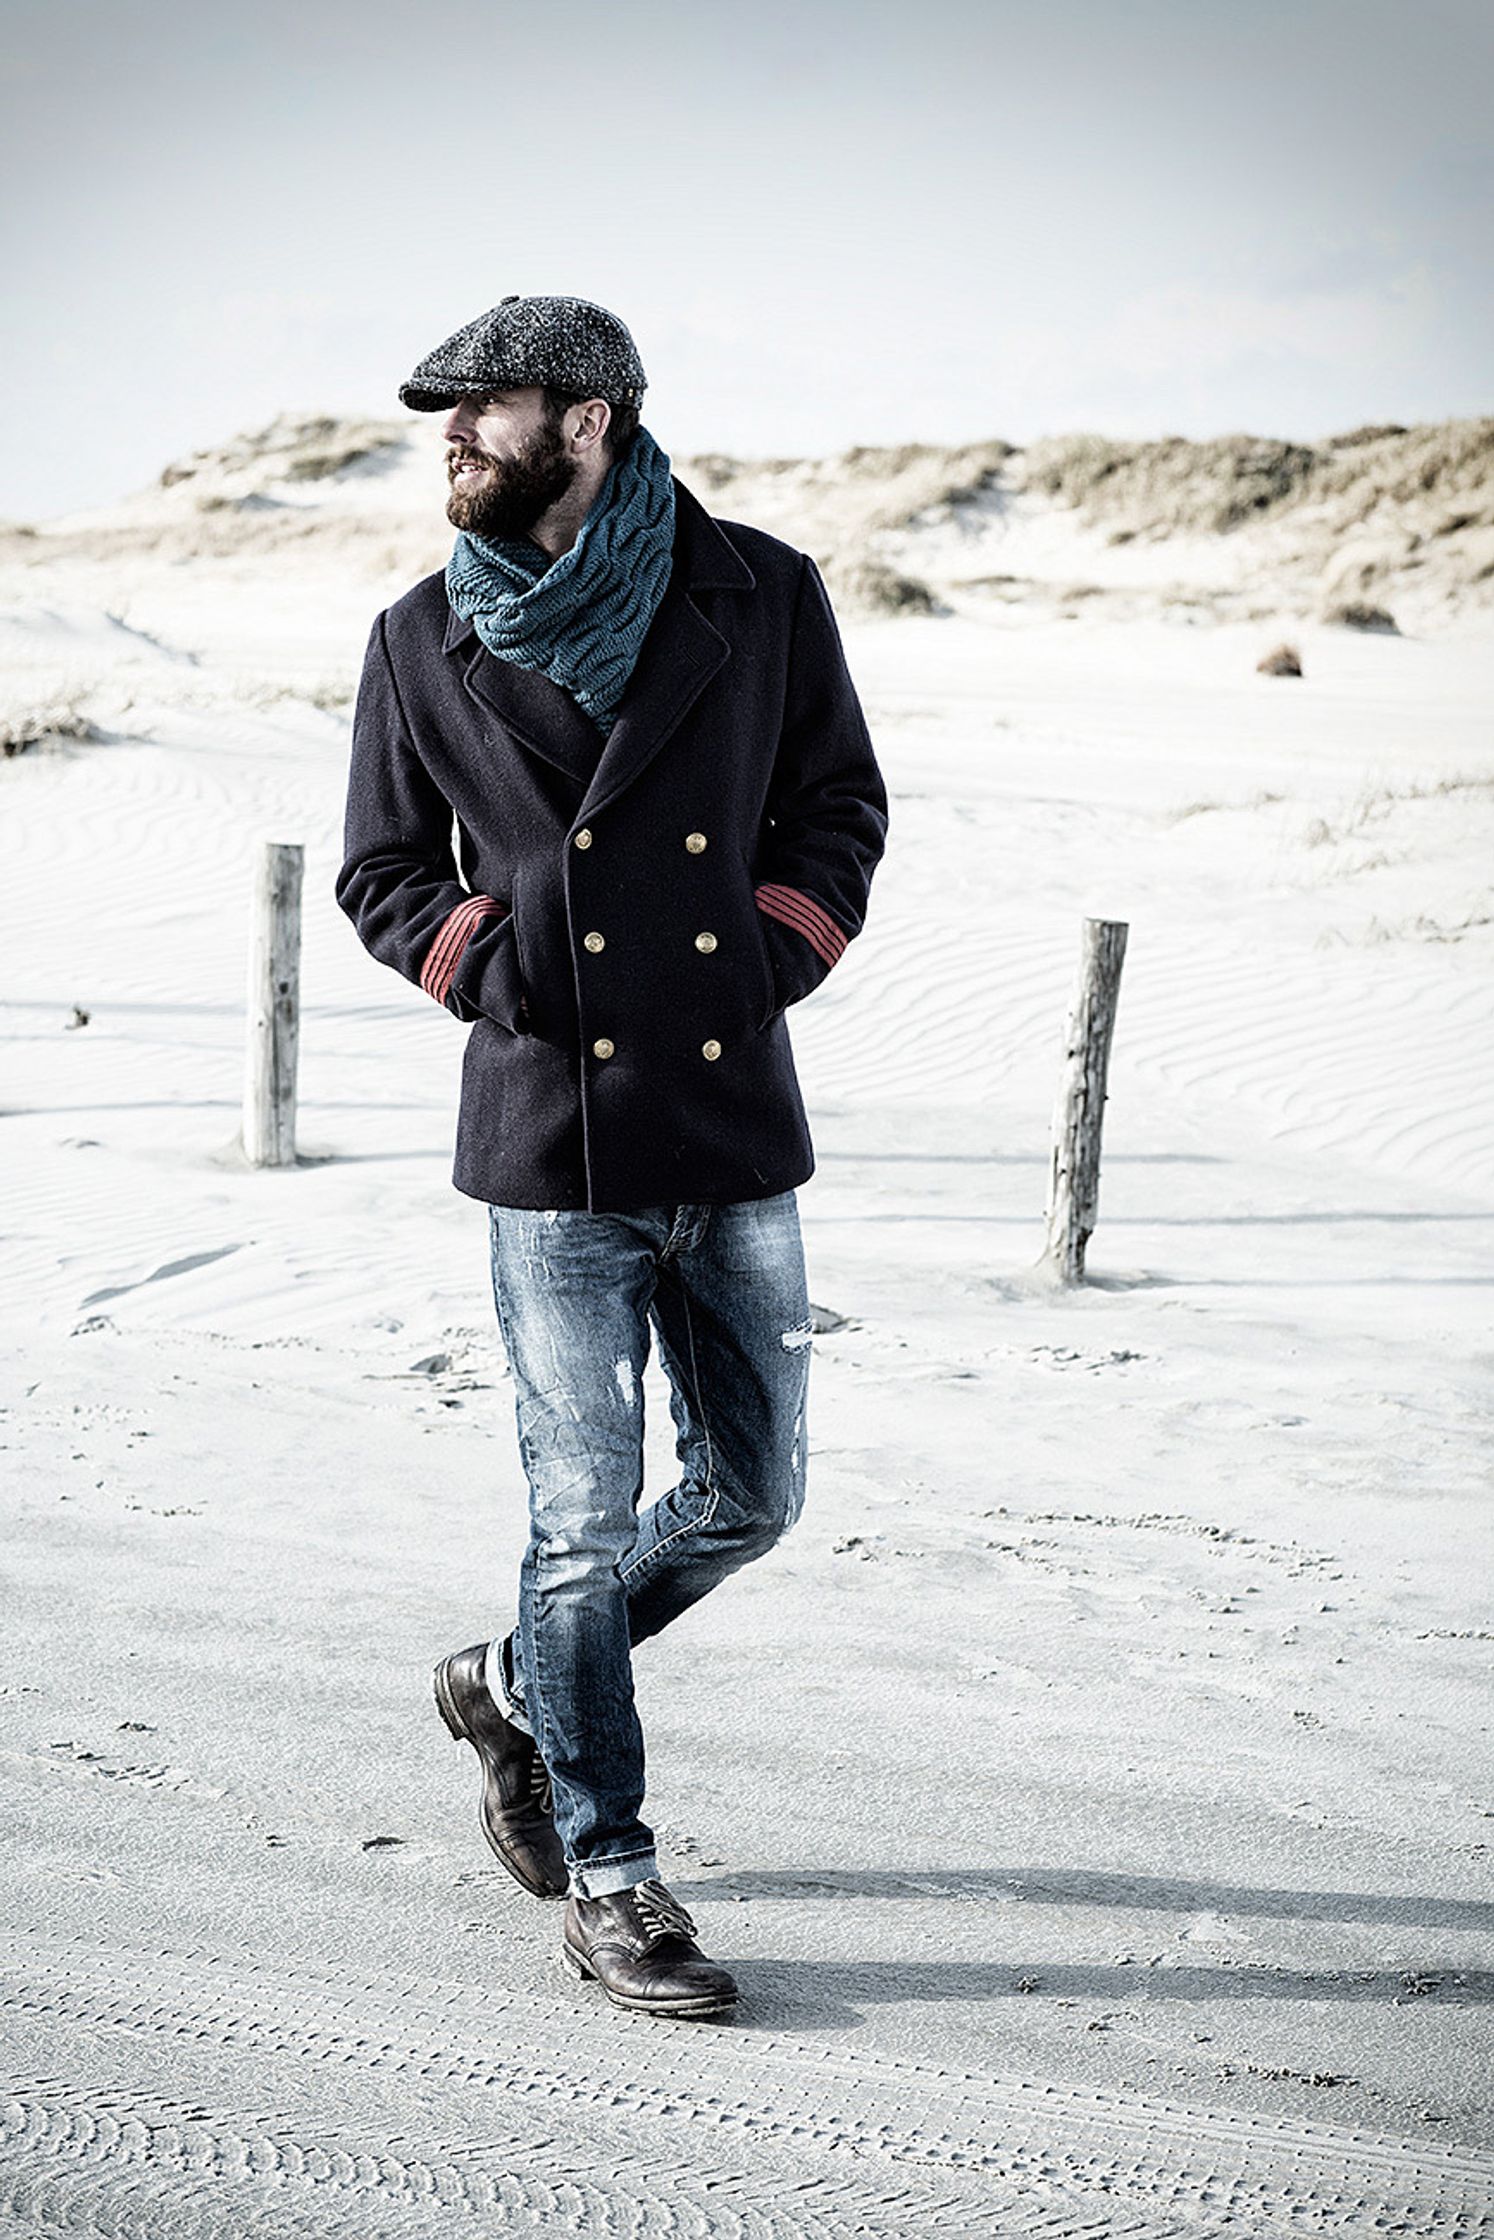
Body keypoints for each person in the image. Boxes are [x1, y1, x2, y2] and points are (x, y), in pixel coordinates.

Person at [336, 295, 888, 2017]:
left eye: (479, 413)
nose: (449, 440)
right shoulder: (420, 635)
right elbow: (380, 871)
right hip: (550, 1133)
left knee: (752, 1496)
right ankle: (613, 1874)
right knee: (577, 1525)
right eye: (442, 415)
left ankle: (507, 1686)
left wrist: (763, 952)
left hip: (728, 1123)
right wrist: (497, 970)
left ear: (586, 420)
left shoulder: (757, 590)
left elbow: (837, 809)